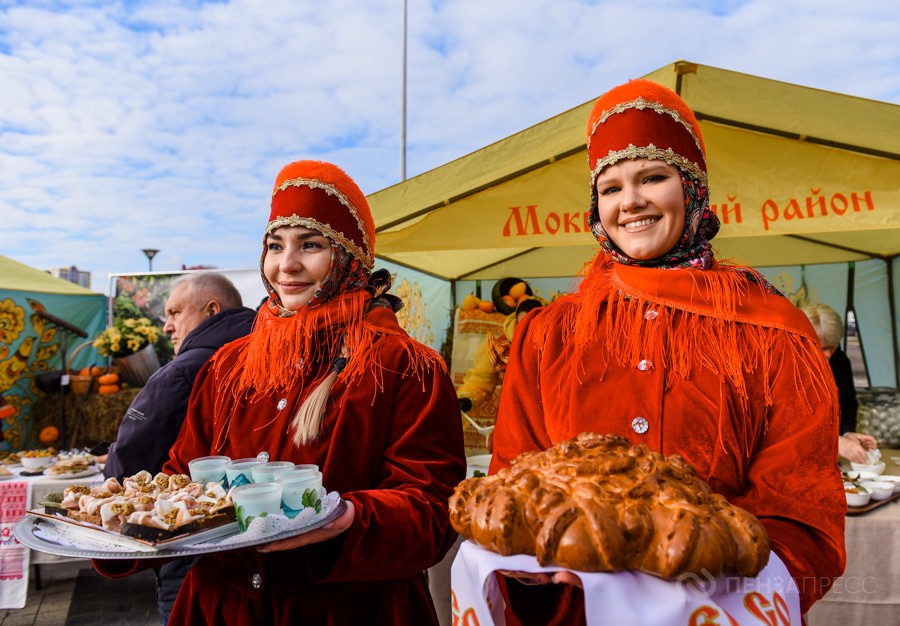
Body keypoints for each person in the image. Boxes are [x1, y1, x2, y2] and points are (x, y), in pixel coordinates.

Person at [489, 79, 846, 622]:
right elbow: (514, 483)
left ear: (693, 189)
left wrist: (694, 572)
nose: (630, 201)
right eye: (610, 188)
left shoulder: (774, 331)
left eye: (653, 177)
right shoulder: (548, 335)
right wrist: (543, 559)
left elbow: (803, 510)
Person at [94, 160, 466, 625]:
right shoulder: (227, 364)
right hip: (222, 607)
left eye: (310, 245)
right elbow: (182, 474)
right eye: (275, 245)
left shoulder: (406, 366)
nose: (286, 264)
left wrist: (347, 517)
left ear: (349, 257)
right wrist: (125, 522)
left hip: (349, 611)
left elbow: (433, 508)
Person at [102, 271, 256, 623]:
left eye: (174, 313)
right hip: (251, 531)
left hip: (188, 531)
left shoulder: (184, 369)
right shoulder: (268, 354)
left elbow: (130, 456)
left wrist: (110, 484)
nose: (167, 326)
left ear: (211, 310)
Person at [801, 302, 878, 464]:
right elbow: (790, 421)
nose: (829, 354)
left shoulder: (840, 361)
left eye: (833, 346)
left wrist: (847, 433)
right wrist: (834, 441)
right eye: (822, 348)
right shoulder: (785, 365)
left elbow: (848, 403)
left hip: (825, 454)